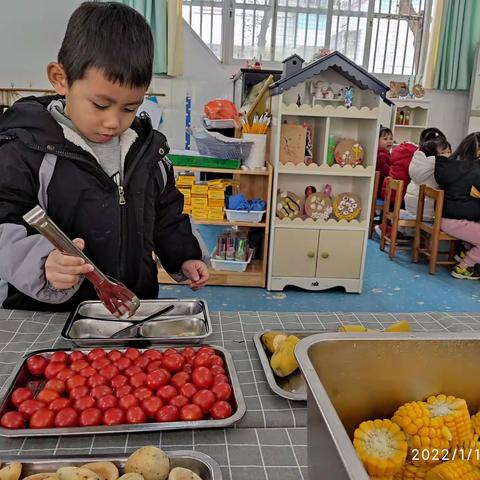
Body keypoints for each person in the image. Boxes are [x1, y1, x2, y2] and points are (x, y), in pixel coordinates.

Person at [0, 2, 209, 311]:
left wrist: (186, 255)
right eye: (100, 105)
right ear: (60, 78)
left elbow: (166, 215)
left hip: (130, 311)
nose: (114, 121)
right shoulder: (25, 149)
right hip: (47, 316)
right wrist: (42, 263)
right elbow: (5, 222)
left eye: (130, 108)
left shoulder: (148, 154)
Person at [435, 132, 480, 280]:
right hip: (457, 221)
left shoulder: (451, 166)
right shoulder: (474, 170)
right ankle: (465, 266)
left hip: (446, 218)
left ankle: (465, 253)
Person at [381, 127, 446, 203]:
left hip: (391, 193)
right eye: (443, 152)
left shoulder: (401, 150)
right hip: (402, 198)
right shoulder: (418, 158)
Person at [404, 137, 452, 220]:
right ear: (432, 154)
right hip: (427, 209)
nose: (448, 155)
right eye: (443, 152)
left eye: (449, 152)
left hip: (411, 204)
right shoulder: (437, 165)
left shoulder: (418, 163)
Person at [376, 127, 393, 197]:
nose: (389, 141)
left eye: (391, 139)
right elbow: (386, 172)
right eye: (385, 139)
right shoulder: (381, 155)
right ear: (377, 140)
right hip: (381, 189)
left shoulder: (386, 153)